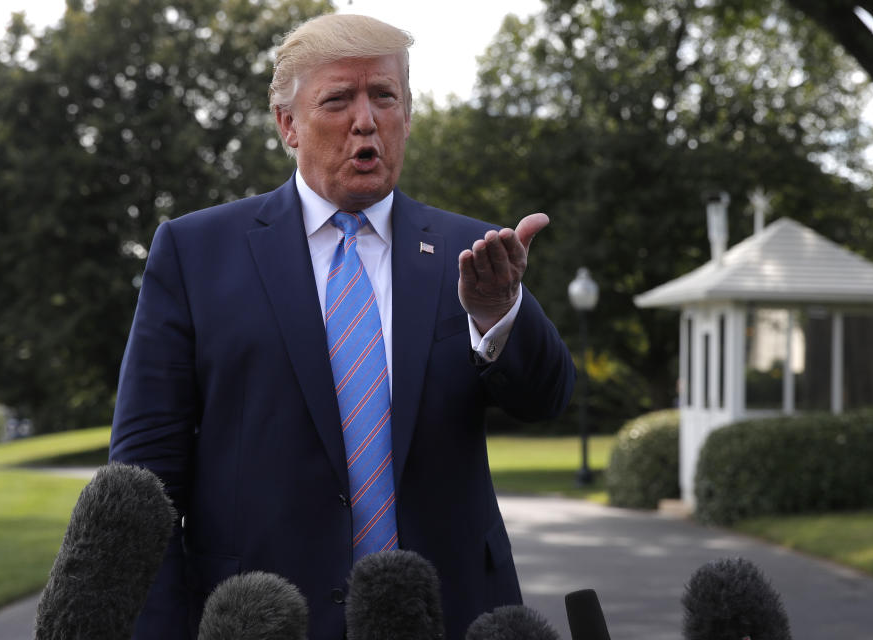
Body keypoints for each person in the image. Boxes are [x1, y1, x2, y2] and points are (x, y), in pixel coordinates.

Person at [109, 13, 574, 640]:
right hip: (262, 619)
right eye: (338, 99)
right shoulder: (195, 253)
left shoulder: (473, 252)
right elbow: (145, 474)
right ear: (288, 125)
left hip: (450, 610)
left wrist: (497, 315)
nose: (366, 120)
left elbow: (549, 400)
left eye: (385, 96)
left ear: (407, 115)